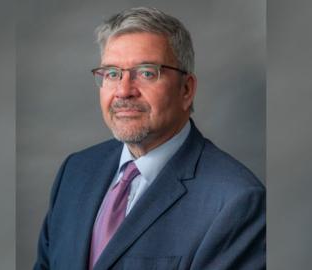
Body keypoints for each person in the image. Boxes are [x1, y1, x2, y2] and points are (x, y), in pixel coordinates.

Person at [33, 7, 265, 270]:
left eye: (146, 73)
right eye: (112, 73)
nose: (124, 91)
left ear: (186, 89)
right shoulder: (74, 173)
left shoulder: (235, 201)